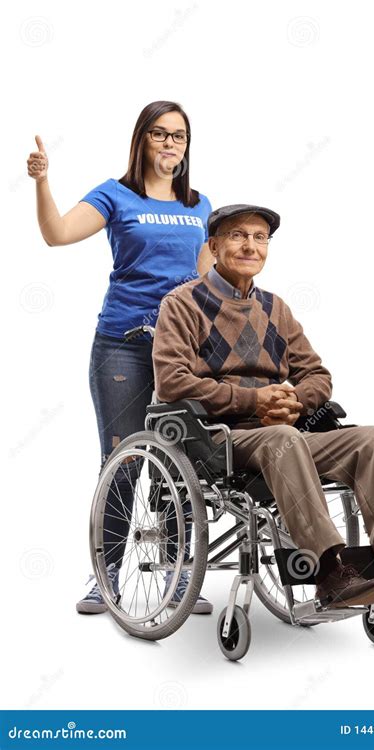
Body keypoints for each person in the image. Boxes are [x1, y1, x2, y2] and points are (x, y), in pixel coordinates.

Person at [151, 204, 374, 608]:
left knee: (372, 439)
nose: (251, 246)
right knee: (284, 439)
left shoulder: (274, 308)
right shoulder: (181, 304)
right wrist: (254, 399)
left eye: (260, 238)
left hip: (283, 433)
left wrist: (296, 402)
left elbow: (318, 374)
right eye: (238, 236)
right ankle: (330, 571)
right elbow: (172, 382)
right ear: (212, 246)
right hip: (217, 438)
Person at [27, 101, 215, 615]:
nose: (170, 143)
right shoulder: (116, 194)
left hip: (180, 351)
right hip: (123, 345)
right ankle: (105, 574)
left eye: (179, 135)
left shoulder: (199, 206)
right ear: (142, 140)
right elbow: (57, 234)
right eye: (160, 134)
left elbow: (205, 285)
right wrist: (43, 183)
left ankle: (175, 578)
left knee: (179, 466)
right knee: (126, 461)